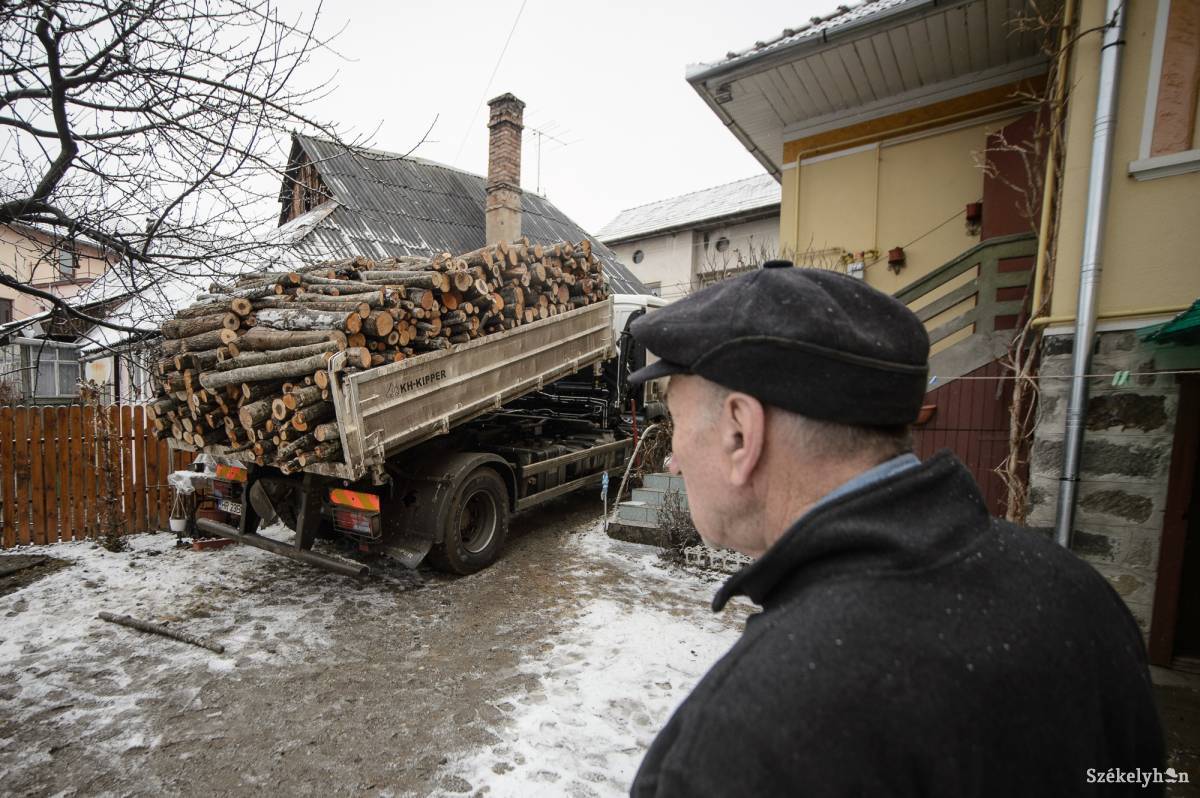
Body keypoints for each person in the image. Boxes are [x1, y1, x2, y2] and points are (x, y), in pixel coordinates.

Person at [626, 261, 1164, 797]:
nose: (672, 459)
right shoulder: (1081, 596)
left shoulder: (745, 740)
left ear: (742, 434)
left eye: (675, 425)